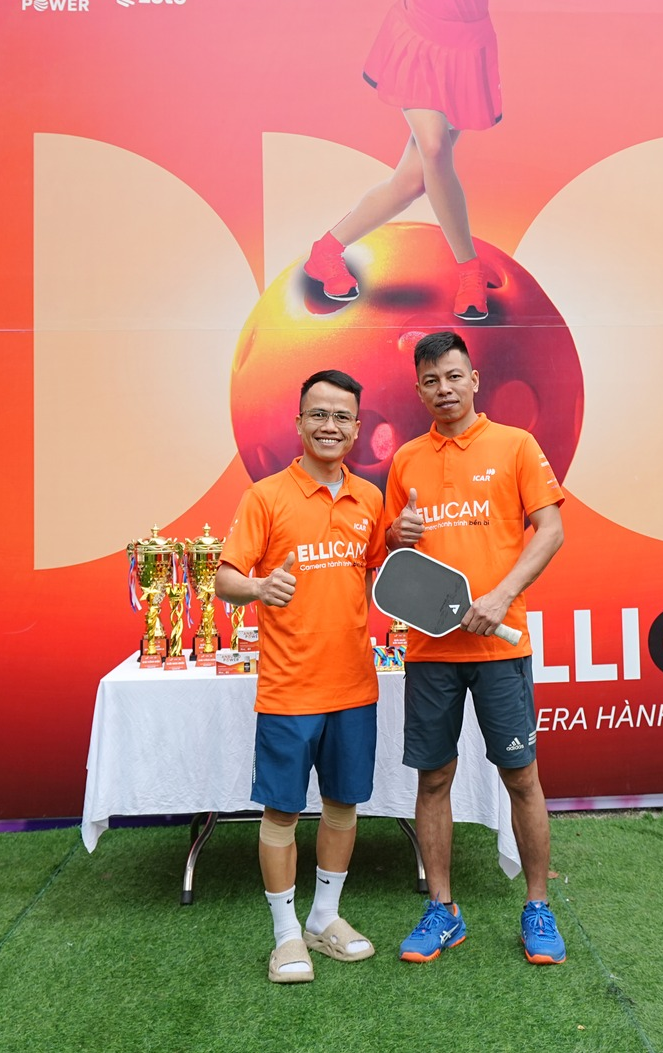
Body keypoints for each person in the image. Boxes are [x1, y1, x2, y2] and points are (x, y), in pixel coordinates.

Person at [380, 330, 569, 964]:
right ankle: (442, 910)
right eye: (431, 380)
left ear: (474, 379)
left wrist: (501, 595)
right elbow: (394, 554)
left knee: (521, 777)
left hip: (500, 648)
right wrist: (397, 534)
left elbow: (551, 529)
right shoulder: (405, 459)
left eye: (454, 376)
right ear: (419, 390)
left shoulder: (515, 445)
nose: (444, 389)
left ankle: (537, 907)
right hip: (431, 652)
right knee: (433, 779)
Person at [302, 0, 507, 324]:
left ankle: (326, 251)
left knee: (413, 181)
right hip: (416, 37)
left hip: (466, 48)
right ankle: (468, 271)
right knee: (434, 148)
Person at [217, 369, 387, 984]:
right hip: (289, 688)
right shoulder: (265, 497)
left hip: (354, 687)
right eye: (319, 414)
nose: (329, 426)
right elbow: (225, 578)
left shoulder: (370, 500)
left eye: (342, 416)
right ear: (299, 422)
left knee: (342, 807)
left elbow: (379, 571)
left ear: (357, 428)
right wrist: (259, 587)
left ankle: (323, 918)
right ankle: (286, 934)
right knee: (282, 814)